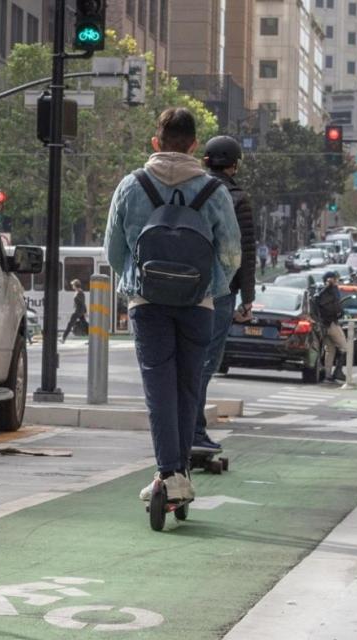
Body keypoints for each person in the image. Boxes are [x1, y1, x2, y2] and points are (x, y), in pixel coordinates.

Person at [104, 107, 241, 502]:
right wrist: (208, 286)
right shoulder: (214, 192)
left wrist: (138, 280)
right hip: (198, 303)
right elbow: (231, 253)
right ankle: (179, 473)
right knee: (189, 385)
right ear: (195, 146)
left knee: (158, 386)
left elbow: (113, 250)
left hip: (147, 302)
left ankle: (169, 473)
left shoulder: (132, 186)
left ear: (155, 142)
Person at [193, 135, 256, 453]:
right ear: (234, 164)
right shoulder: (237, 198)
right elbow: (244, 250)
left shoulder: (191, 189)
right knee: (206, 363)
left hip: (184, 286)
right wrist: (247, 297)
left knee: (184, 361)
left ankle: (182, 426)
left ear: (205, 160)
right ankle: (194, 430)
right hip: (220, 291)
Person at [316, 272, 347, 382]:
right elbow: (335, 307)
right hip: (330, 323)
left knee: (330, 349)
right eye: (335, 279)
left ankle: (328, 375)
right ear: (330, 280)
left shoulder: (320, 290)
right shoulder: (331, 290)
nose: (337, 281)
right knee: (344, 347)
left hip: (322, 324)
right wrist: (340, 312)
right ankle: (337, 372)